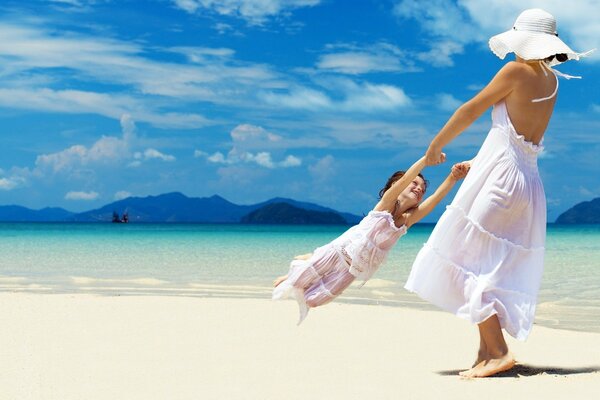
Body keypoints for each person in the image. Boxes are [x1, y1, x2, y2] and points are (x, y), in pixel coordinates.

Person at [404, 8, 593, 378]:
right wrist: (480, 158)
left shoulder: (516, 71)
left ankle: (500, 352)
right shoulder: (551, 81)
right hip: (527, 183)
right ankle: (486, 352)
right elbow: (523, 138)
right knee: (484, 261)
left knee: (469, 260)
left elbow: (471, 110)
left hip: (502, 181)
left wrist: (435, 146)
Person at [273, 156, 470, 324]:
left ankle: (307, 261)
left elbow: (435, 199)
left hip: (353, 270)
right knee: (294, 282)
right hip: (337, 252)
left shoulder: (406, 221)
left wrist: (453, 177)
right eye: (414, 183)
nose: (419, 188)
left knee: (314, 301)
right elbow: (405, 180)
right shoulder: (385, 206)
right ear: (395, 186)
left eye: (422, 188)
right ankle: (302, 265)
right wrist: (426, 160)